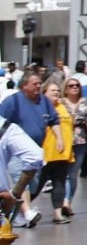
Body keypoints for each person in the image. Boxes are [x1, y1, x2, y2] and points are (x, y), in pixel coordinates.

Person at [0, 67, 54, 224]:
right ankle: (25, 211)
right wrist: (14, 194)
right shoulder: (10, 107)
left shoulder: (43, 101)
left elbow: (53, 120)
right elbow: (35, 156)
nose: (38, 87)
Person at [36, 80, 78, 222]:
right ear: (44, 93)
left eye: (57, 90)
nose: (56, 92)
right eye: (52, 90)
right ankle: (19, 210)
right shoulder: (41, 107)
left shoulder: (62, 107)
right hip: (46, 153)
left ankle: (58, 214)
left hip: (63, 153)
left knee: (59, 184)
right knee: (36, 185)